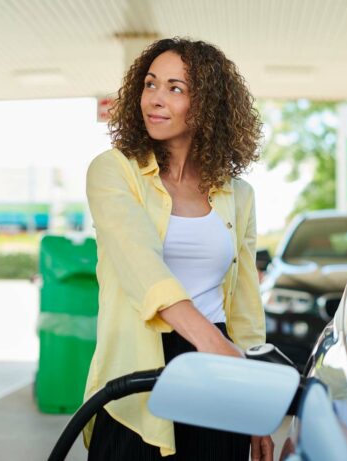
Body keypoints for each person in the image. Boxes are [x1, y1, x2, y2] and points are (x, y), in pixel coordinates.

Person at [83, 37, 272, 460]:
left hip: (216, 374)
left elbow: (244, 306)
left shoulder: (237, 195)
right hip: (138, 370)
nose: (155, 99)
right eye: (150, 84)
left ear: (207, 104)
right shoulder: (114, 172)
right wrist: (212, 343)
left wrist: (256, 402)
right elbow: (139, 262)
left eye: (175, 88)